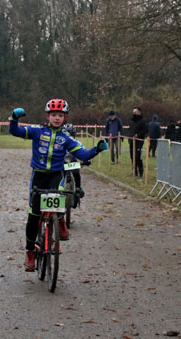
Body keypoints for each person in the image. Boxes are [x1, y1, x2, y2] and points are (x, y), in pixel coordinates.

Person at [9, 99, 108, 271]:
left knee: (59, 197)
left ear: (65, 117)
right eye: (53, 115)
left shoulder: (66, 137)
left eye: (60, 115)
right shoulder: (37, 130)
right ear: (48, 116)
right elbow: (15, 131)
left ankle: (59, 221)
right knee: (33, 215)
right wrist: (13, 118)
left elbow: (83, 155)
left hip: (57, 175)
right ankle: (30, 251)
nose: (56, 118)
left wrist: (96, 150)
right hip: (38, 176)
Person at [127, 107, 148, 176]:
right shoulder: (132, 121)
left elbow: (145, 130)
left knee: (138, 157)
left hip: (139, 141)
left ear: (139, 112)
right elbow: (130, 129)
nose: (134, 114)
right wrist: (129, 136)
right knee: (132, 156)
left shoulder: (143, 121)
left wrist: (138, 135)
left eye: (135, 112)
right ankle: (134, 171)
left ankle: (140, 171)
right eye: (133, 113)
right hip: (131, 141)